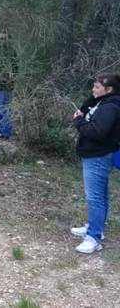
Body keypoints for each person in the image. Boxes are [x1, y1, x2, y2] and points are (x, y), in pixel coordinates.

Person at [70, 73, 120, 254]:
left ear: (109, 90)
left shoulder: (110, 107)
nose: (93, 89)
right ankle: (95, 227)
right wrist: (95, 96)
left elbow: (97, 132)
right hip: (96, 155)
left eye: (97, 87)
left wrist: (78, 122)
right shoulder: (103, 102)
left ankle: (93, 238)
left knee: (95, 198)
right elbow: (85, 106)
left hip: (98, 156)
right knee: (101, 196)